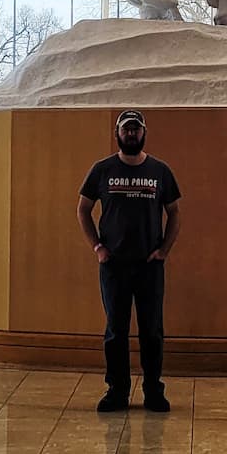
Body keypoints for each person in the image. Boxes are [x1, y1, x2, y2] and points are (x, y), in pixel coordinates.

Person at [77, 108, 182, 413]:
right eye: (126, 129)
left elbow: (175, 211)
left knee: (152, 330)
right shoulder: (102, 169)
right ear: (117, 134)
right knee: (116, 331)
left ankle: (153, 391)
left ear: (144, 132)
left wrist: (164, 249)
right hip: (114, 266)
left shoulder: (160, 171)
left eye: (136, 129)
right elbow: (82, 209)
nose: (131, 133)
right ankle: (117, 391)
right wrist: (97, 247)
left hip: (149, 266)